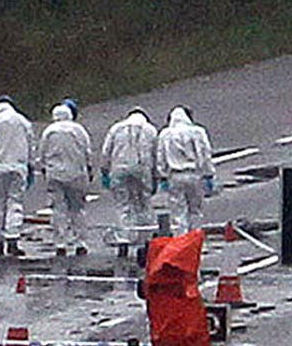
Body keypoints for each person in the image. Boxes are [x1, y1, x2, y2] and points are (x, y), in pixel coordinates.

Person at [0, 95, 34, 255]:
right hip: (18, 166)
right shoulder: (23, 121)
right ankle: (13, 239)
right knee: (14, 202)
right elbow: (31, 144)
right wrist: (30, 165)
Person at [100, 107, 158, 252]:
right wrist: (157, 176)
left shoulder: (116, 128)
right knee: (144, 203)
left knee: (123, 205)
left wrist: (105, 170)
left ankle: (123, 241)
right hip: (142, 169)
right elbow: (156, 154)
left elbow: (106, 151)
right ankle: (146, 240)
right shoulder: (150, 130)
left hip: (119, 169)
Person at [38, 102, 93, 255]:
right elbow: (87, 151)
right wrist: (89, 168)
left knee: (58, 210)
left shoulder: (49, 131)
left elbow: (42, 154)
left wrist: (45, 169)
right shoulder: (78, 130)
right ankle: (80, 242)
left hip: (55, 175)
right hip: (76, 174)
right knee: (77, 209)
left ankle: (60, 243)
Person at [156, 105, 215, 231]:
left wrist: (162, 176)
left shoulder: (165, 134)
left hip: (175, 176)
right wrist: (208, 173)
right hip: (194, 175)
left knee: (178, 212)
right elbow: (204, 153)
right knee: (195, 211)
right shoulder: (197, 131)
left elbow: (160, 157)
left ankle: (181, 242)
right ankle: (196, 240)